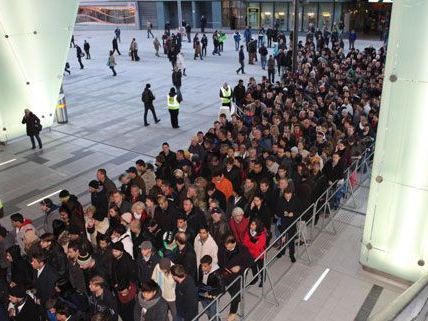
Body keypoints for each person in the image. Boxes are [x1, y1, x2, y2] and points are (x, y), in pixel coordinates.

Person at [218, 235, 253, 321]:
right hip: (226, 275)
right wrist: (223, 268)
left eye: (230, 247)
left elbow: (251, 261)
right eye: (226, 246)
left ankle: (232, 315)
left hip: (238, 277)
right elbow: (220, 261)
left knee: (236, 297)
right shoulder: (222, 247)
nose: (227, 248)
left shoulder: (242, 249)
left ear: (234, 243)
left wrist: (240, 267)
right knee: (225, 291)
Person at [198, 255, 224, 321]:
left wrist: (210, 293)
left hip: (213, 294)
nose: (203, 268)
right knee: (206, 310)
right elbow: (199, 280)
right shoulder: (200, 268)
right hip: (203, 291)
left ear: (210, 265)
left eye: (205, 266)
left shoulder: (217, 274)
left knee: (213, 312)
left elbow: (222, 288)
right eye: (202, 266)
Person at [243, 218, 267, 287]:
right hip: (251, 255)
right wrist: (253, 244)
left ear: (257, 226)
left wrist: (249, 244)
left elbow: (258, 247)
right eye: (251, 224)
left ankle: (263, 279)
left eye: (253, 225)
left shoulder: (262, 234)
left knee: (261, 268)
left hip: (259, 255)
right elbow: (245, 243)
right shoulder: (248, 232)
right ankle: (255, 278)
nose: (251, 226)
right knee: (253, 267)